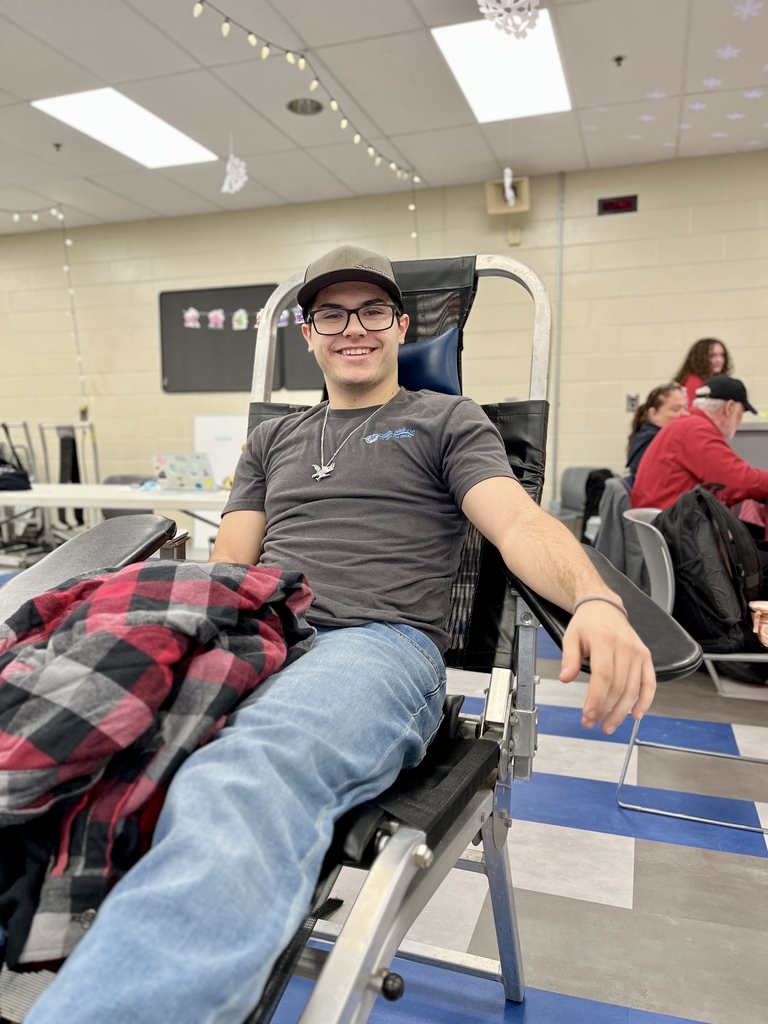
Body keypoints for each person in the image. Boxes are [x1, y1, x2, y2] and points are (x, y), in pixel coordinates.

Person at [25, 244, 655, 1024]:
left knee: (241, 779)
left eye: (370, 312)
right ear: (309, 332)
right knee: (58, 717)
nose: (351, 327)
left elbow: (518, 522)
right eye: (331, 313)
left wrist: (594, 599)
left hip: (376, 647)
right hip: (262, 631)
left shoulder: (446, 420)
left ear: (399, 326)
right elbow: (230, 568)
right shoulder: (272, 440)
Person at [631, 374, 768, 511]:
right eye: (741, 413)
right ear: (730, 408)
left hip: (667, 519)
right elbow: (740, 481)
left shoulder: (687, 424)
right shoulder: (695, 429)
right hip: (675, 525)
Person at [626, 383, 688, 482]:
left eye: (685, 408)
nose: (685, 414)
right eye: (676, 409)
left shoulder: (645, 435)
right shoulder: (652, 441)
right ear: (653, 414)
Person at [673, 337, 731, 408]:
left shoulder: (715, 381)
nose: (719, 360)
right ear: (700, 359)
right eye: (712, 356)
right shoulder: (694, 381)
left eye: (722, 355)